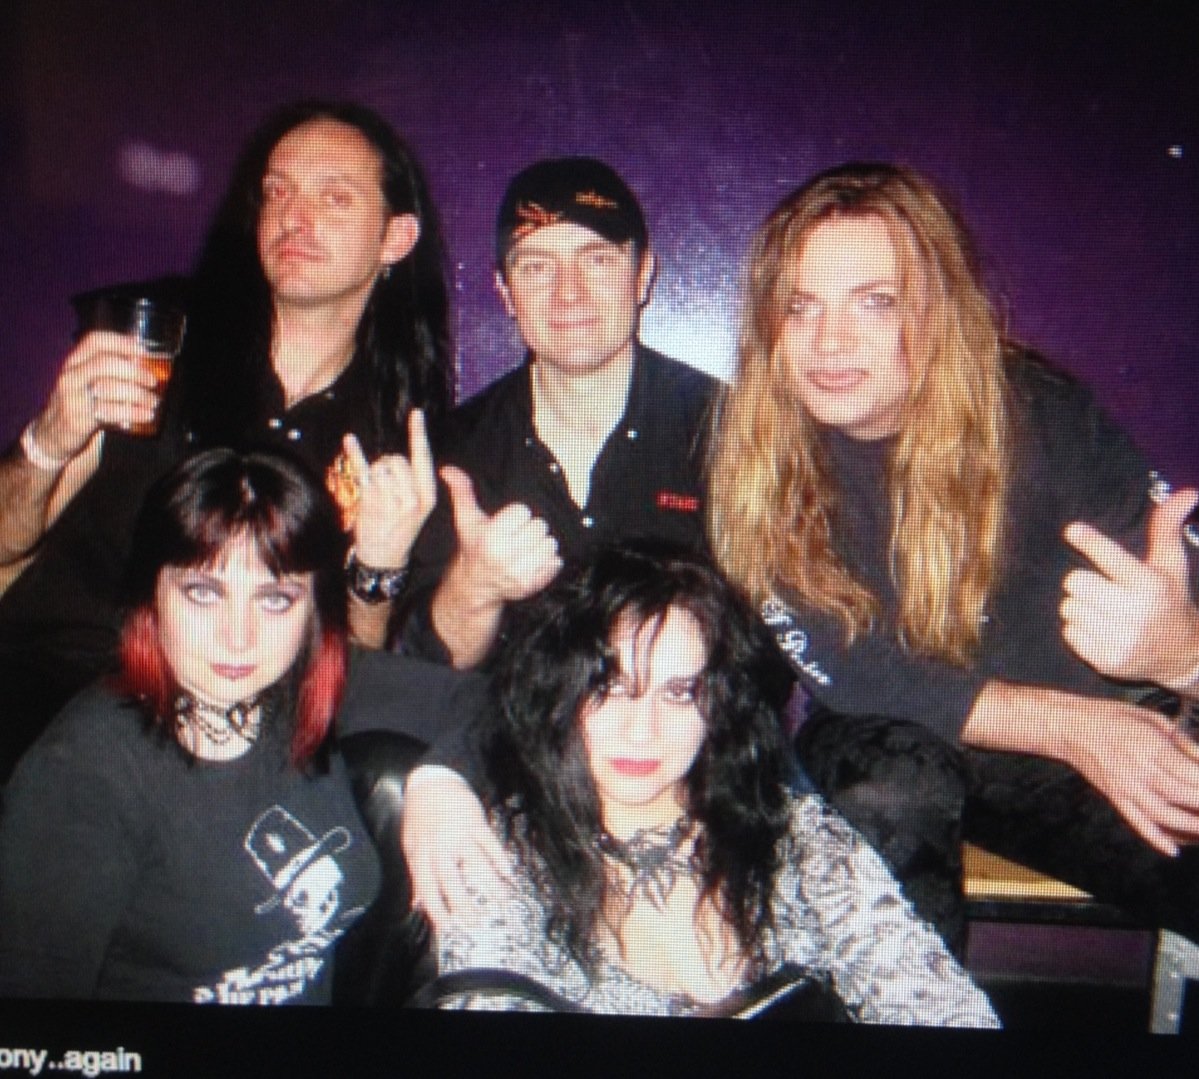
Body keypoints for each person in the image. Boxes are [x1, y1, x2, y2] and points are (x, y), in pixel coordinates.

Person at [706, 162, 1199, 951]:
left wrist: (1182, 655)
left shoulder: (1039, 414)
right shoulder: (757, 461)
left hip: (1095, 747)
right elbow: (859, 670)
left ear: (934, 310)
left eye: (875, 302)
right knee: (880, 782)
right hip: (909, 736)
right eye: (800, 306)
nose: (829, 342)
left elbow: (1176, 604)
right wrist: (1074, 726)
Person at [0, 100, 450, 777]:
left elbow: (348, 678)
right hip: (48, 701)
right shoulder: (153, 344)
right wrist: (48, 441)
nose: (294, 218)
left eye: (333, 197)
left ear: (395, 238)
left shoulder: (396, 435)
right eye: (277, 191)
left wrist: (376, 573)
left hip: (227, 751)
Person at [416, 545, 996, 1025]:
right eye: (612, 688)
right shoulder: (498, 857)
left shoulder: (795, 838)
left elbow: (937, 1003)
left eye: (679, 692)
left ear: (718, 707)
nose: (642, 731)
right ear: (561, 694)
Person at [0, 448, 477, 1003]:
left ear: (310, 611)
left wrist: (443, 781)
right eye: (203, 593)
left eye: (275, 599)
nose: (238, 638)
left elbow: (492, 704)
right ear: (151, 595)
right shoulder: (83, 773)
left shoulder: (296, 685)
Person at [400, 157, 717, 668]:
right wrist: (474, 588)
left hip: (691, 736)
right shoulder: (457, 452)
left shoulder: (734, 433)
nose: (568, 292)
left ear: (643, 275)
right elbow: (431, 676)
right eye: (537, 265)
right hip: (517, 741)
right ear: (505, 292)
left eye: (597, 259)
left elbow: (769, 657)